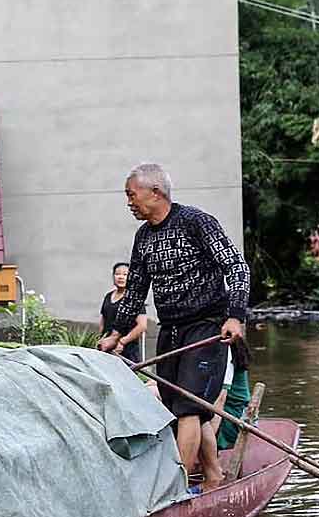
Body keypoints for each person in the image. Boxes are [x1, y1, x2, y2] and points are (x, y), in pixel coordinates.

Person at [97, 162, 250, 491]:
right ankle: (213, 475)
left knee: (188, 409)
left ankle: (172, 488)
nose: (129, 202)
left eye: (131, 194)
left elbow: (237, 267)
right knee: (187, 407)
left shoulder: (196, 222)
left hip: (207, 326)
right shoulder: (144, 237)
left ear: (156, 192)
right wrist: (115, 334)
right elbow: (136, 290)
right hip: (171, 330)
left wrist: (235, 315)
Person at [99, 262, 147, 364]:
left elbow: (142, 326)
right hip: (107, 347)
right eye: (117, 274)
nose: (120, 277)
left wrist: (122, 342)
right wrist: (100, 338)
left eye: (125, 275)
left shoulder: (134, 298)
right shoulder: (108, 296)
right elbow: (103, 318)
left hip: (127, 349)